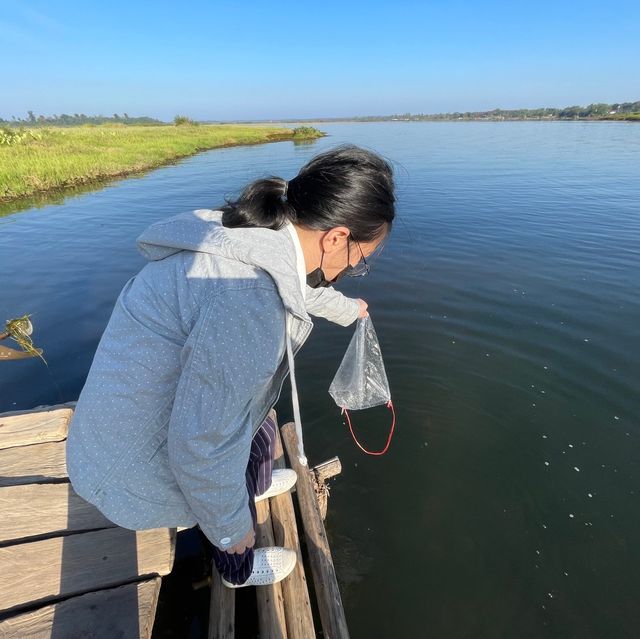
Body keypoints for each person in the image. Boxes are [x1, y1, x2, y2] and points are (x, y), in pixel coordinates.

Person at [66, 143, 396, 587]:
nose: (354, 268)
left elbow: (295, 283)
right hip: (127, 469)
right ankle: (236, 569)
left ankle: (248, 486)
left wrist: (347, 308)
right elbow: (201, 444)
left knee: (251, 424)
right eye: (360, 261)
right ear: (336, 236)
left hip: (111, 434)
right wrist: (232, 529)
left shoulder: (258, 231)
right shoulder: (247, 301)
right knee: (229, 472)